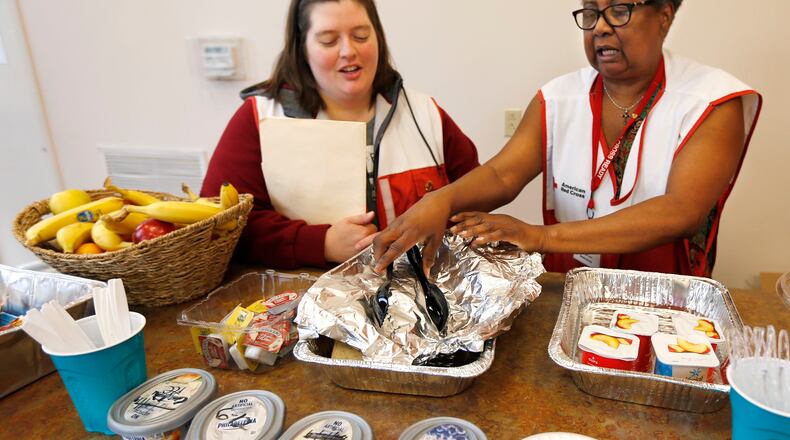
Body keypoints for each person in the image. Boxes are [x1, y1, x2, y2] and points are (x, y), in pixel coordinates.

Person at [373, 0, 761, 278]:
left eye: (619, 11)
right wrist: (440, 200)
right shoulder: (558, 98)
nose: (601, 27)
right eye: (591, 12)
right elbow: (503, 175)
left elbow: (681, 211)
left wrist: (539, 236)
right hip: (569, 290)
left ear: (664, 15)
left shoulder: (710, 101)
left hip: (666, 301)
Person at [201, 0, 479, 269]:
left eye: (360, 35)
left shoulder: (425, 113)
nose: (348, 51)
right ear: (302, 49)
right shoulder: (259, 118)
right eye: (328, 41)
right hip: (304, 302)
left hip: (422, 296)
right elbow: (219, 228)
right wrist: (319, 243)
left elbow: (477, 194)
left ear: (378, 38)